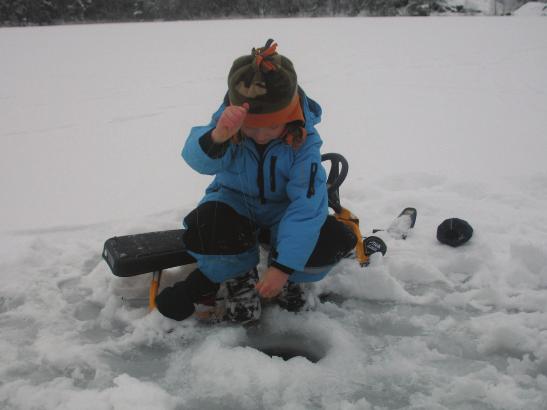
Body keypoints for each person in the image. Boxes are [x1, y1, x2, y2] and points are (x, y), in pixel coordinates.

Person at [156, 39, 357, 323]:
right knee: (209, 226)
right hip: (234, 204)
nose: (261, 136)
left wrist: (284, 268)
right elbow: (197, 161)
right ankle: (239, 278)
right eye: (251, 128)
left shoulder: (305, 143)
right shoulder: (227, 127)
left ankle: (290, 281)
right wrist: (218, 137)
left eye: (271, 127)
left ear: (290, 118)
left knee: (331, 238)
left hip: (282, 214)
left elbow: (307, 206)